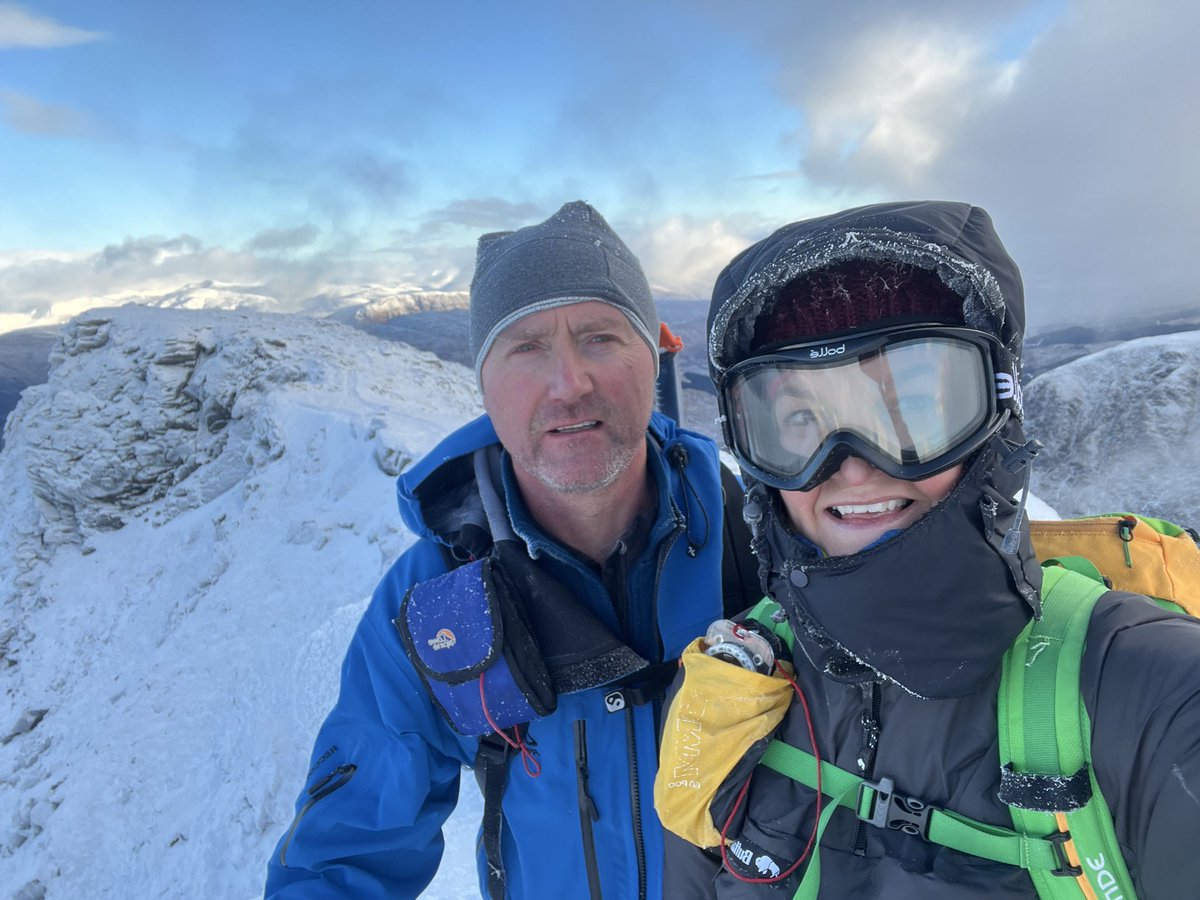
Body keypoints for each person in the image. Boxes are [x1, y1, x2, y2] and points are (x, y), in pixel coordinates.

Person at [658, 200, 1200, 898]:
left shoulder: (1147, 694)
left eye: (911, 405)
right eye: (800, 419)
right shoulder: (730, 692)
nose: (851, 464)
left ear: (995, 415)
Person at [263, 201, 735, 899]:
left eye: (602, 337)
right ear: (484, 386)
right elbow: (347, 852)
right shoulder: (433, 601)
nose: (569, 382)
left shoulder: (760, 540)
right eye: (525, 347)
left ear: (653, 355)